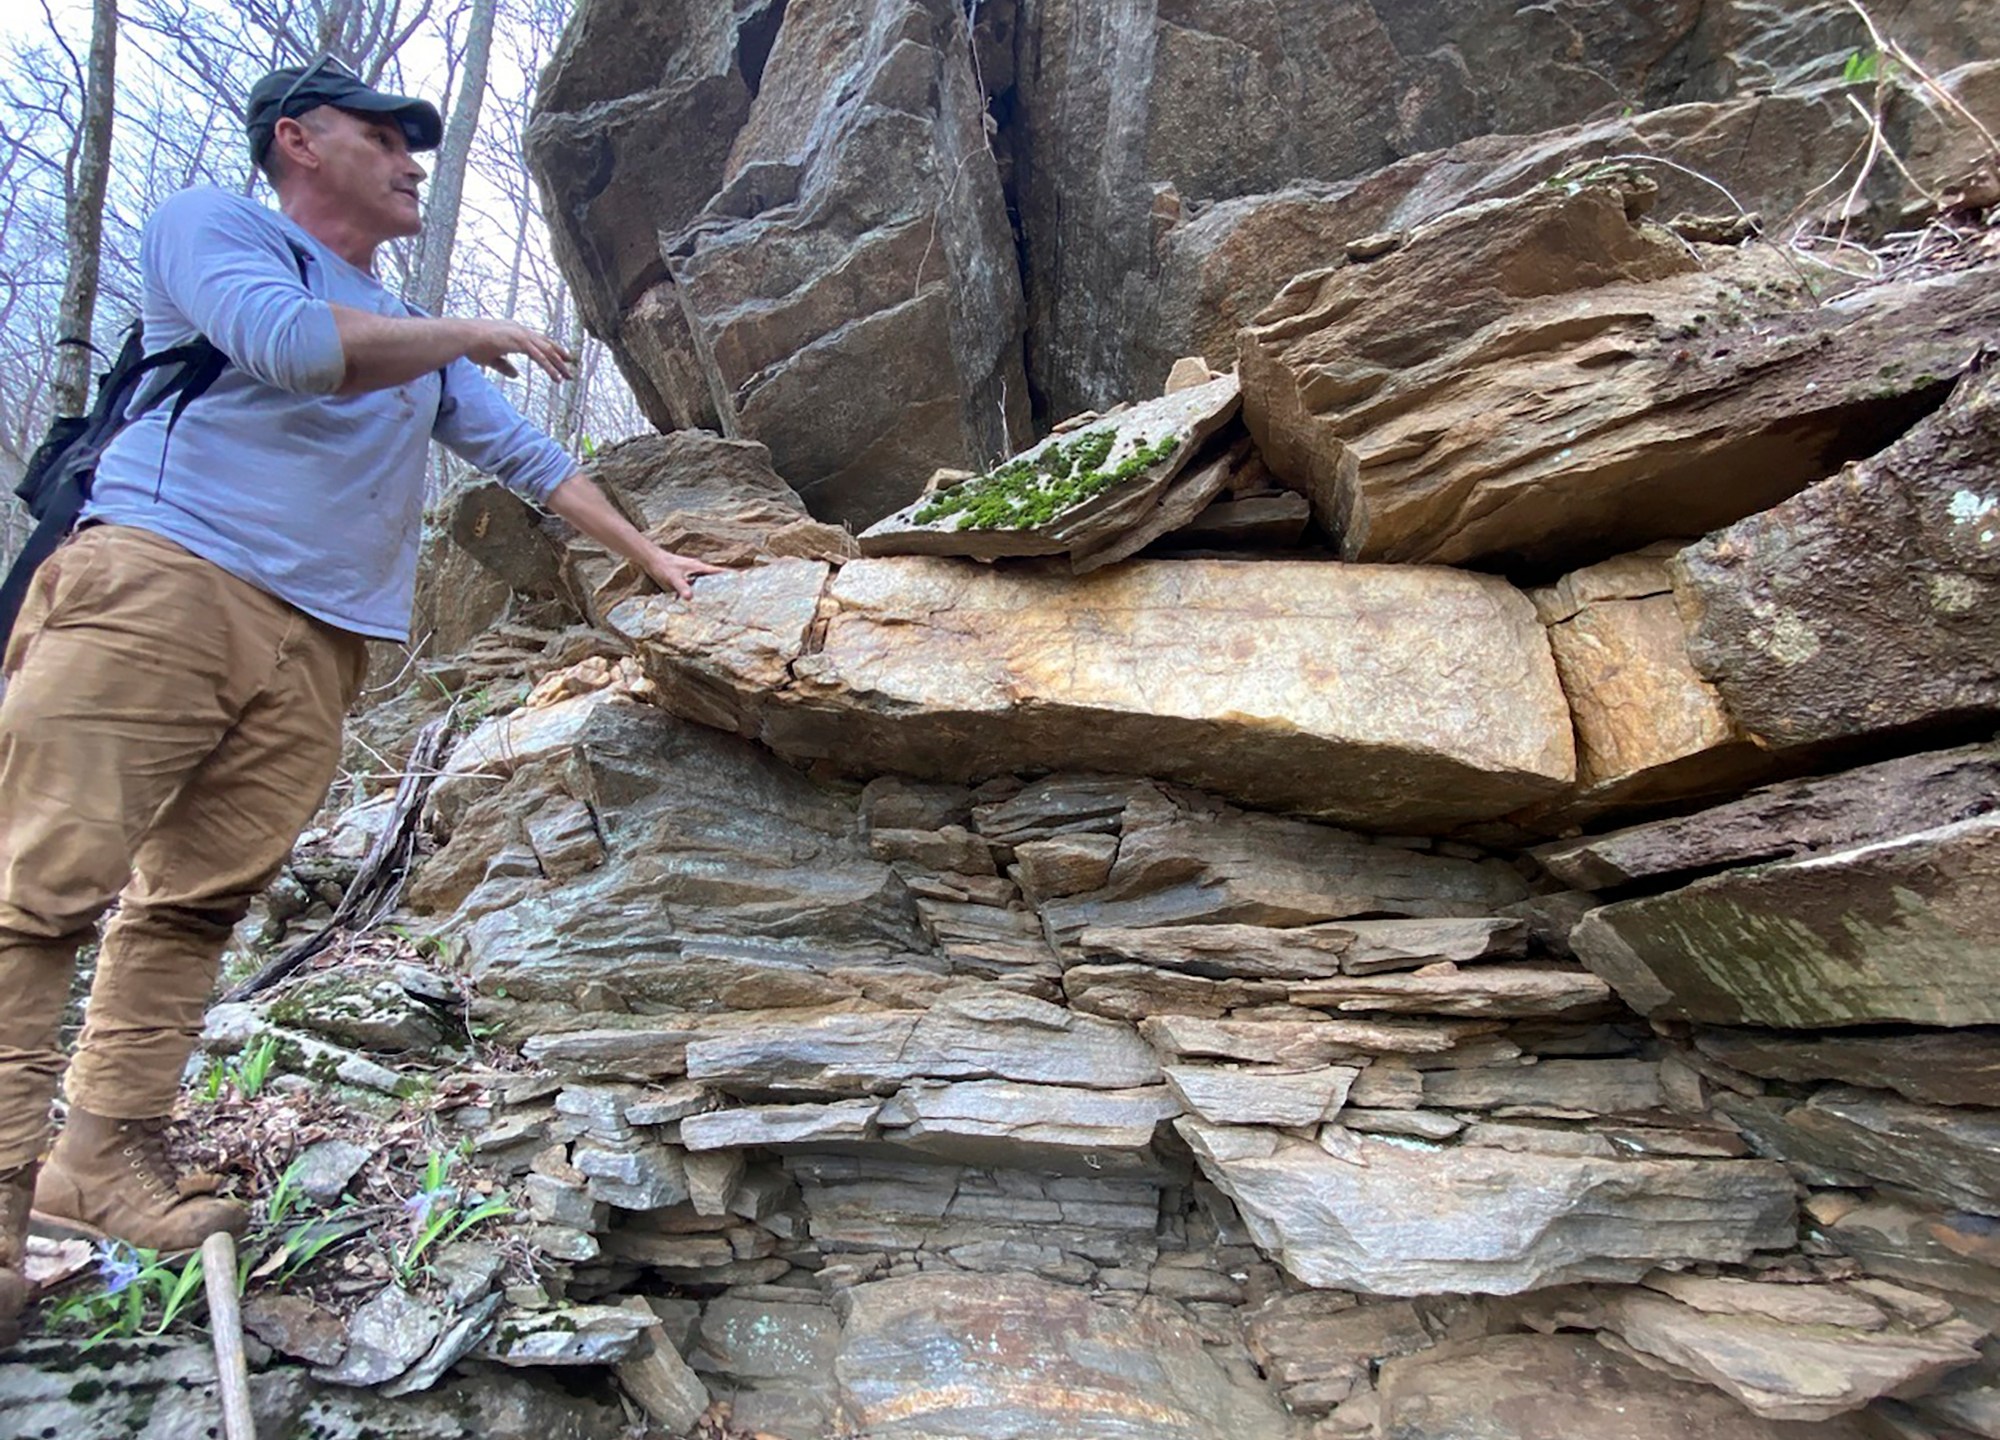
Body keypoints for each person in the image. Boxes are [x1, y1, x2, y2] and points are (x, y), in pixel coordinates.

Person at [0, 55, 724, 1344]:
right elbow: (287, 350)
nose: (409, 158)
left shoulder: (409, 336)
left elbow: (526, 453)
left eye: (417, 141)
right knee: (36, 893)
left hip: (323, 642)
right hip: (160, 580)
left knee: (196, 903)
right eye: (383, 133)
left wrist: (651, 556)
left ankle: (101, 1161)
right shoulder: (218, 231)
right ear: (297, 140)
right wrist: (471, 329)